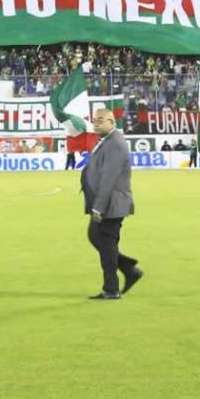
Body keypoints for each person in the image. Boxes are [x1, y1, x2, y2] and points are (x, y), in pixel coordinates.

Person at [80, 108, 142, 300]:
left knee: (106, 243)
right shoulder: (107, 141)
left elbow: (109, 178)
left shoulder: (115, 144)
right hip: (106, 202)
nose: (96, 123)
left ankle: (111, 289)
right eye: (94, 120)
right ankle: (128, 268)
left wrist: (98, 207)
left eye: (101, 120)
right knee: (95, 236)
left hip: (111, 204)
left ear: (112, 121)